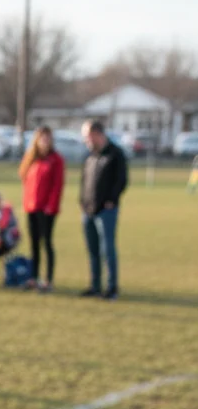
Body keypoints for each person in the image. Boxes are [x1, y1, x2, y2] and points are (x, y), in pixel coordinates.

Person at [79, 120, 128, 300]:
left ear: (97, 134)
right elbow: (84, 180)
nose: (86, 140)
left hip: (106, 211)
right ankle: (95, 286)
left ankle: (111, 287)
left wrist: (111, 200)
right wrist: (82, 201)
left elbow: (122, 180)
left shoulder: (115, 154)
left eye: (88, 136)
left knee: (107, 249)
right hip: (88, 210)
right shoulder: (90, 155)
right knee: (92, 250)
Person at [19, 125, 65, 291]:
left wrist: (51, 206)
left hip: (47, 209)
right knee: (34, 243)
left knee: (47, 242)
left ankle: (48, 280)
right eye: (41, 138)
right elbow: (24, 177)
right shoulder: (32, 157)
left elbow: (57, 185)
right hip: (32, 206)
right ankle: (33, 277)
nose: (44, 142)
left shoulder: (56, 159)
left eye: (47, 138)